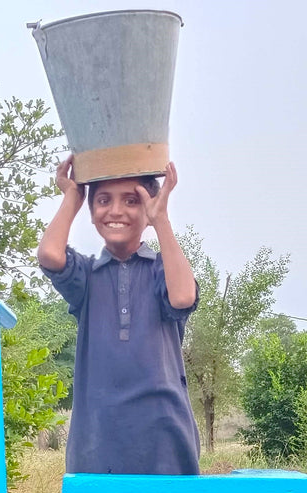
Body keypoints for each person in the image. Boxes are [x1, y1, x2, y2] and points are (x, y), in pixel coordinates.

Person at [37, 155, 200, 475]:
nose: (115, 210)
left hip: (165, 440)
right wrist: (72, 197)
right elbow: (50, 254)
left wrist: (161, 219)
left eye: (131, 200)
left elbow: (183, 297)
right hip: (97, 441)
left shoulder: (161, 270)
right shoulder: (86, 275)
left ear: (148, 206)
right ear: (92, 212)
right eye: (103, 200)